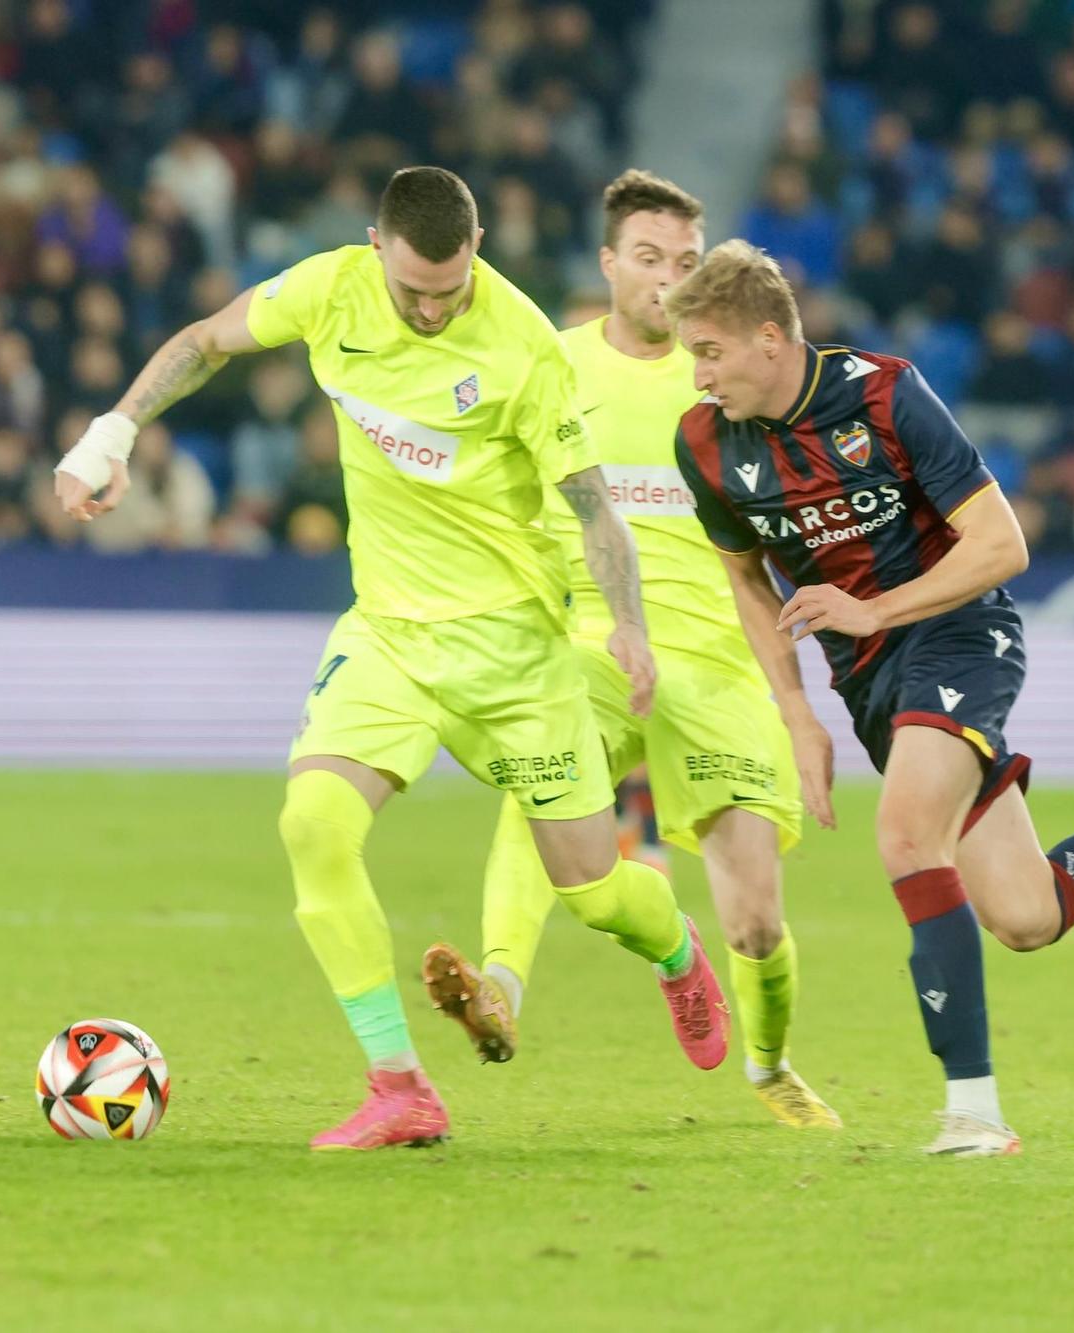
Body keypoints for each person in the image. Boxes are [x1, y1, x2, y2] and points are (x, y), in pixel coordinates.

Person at [53, 166, 723, 1150]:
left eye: (446, 291)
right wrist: (110, 433)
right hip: (389, 636)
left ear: (477, 250)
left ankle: (673, 950)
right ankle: (399, 1086)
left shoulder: (525, 347)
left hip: (512, 654)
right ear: (375, 247)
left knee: (590, 886)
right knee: (312, 824)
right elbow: (204, 341)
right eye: (411, 289)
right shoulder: (330, 289)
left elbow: (592, 508)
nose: (425, 308)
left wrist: (623, 621)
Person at [667, 240, 1074, 1157]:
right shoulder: (703, 442)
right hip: (868, 677)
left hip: (959, 630)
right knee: (1026, 914)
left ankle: (973, 1111)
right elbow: (748, 580)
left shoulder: (885, 394)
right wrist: (797, 712)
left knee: (902, 836)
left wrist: (872, 606)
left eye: (708, 351)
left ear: (769, 338)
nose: (698, 372)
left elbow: (1004, 545)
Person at [420, 171, 842, 1129]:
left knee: (758, 921)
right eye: (648, 259)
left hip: (719, 660)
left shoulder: (730, 380)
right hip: (592, 643)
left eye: (687, 263)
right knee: (541, 771)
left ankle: (768, 1063)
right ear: (607, 263)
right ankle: (500, 989)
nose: (666, 279)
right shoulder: (550, 364)